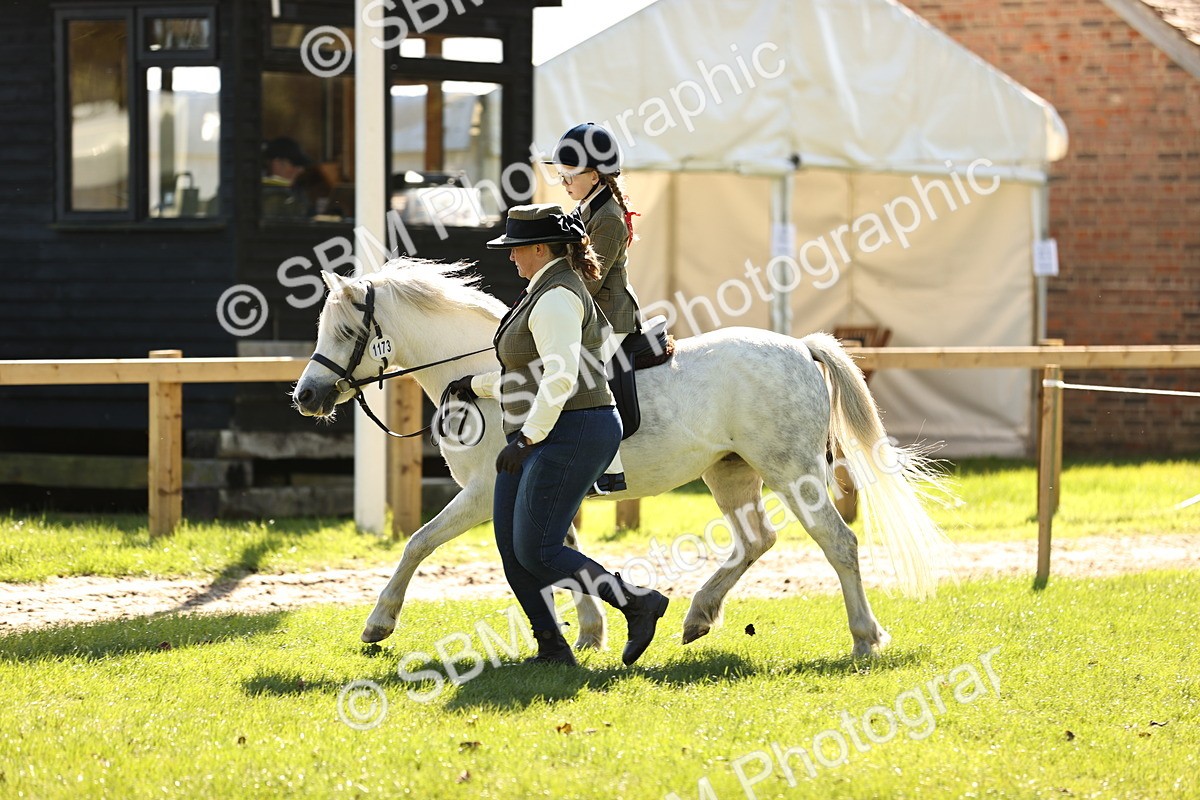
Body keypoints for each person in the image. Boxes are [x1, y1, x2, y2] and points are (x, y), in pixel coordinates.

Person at [446, 204, 669, 667]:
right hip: (548, 431)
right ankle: (552, 648)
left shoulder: (555, 297)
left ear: (541, 248)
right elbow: (527, 371)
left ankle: (638, 603)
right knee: (513, 550)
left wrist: (527, 439)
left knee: (540, 550)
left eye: (516, 249)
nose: (510, 257)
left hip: (575, 429)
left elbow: (561, 377)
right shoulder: (540, 290)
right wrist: (474, 385)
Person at [545, 122, 642, 495]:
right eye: (560, 174)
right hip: (591, 311)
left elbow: (588, 280)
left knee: (581, 374)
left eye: (570, 174)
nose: (564, 182)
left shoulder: (608, 218)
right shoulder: (586, 208)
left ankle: (610, 471)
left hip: (609, 315)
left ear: (596, 174)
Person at [262, 136, 335, 219]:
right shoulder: (266, 195)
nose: (301, 170)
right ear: (277, 164)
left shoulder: (297, 191)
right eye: (295, 164)